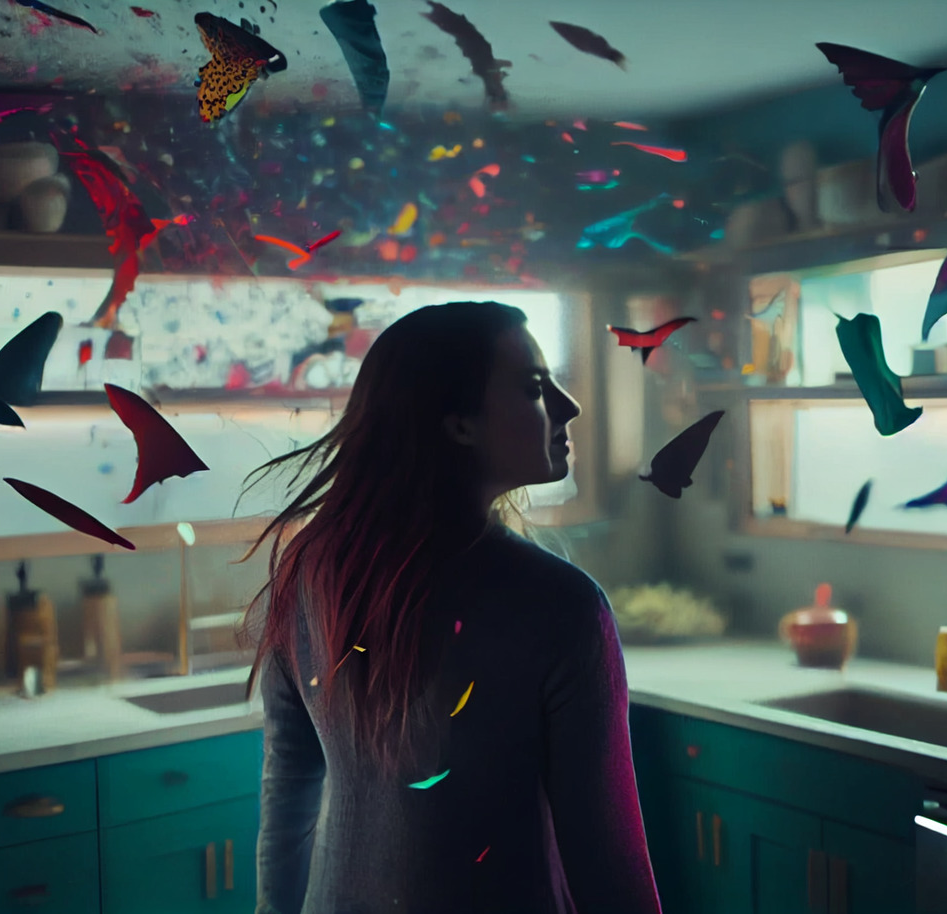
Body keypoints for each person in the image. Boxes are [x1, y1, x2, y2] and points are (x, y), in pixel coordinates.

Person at [237, 301, 663, 914]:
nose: (568, 407)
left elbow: (289, 786)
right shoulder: (562, 607)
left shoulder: (311, 569)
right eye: (535, 388)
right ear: (459, 423)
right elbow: (611, 870)